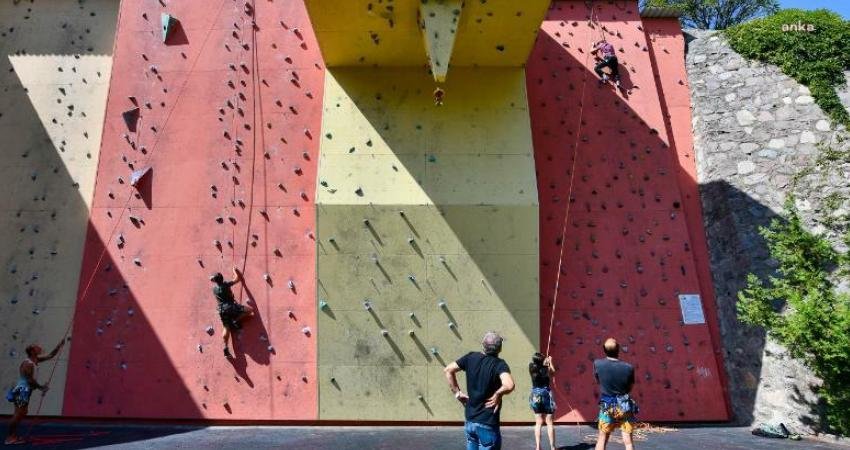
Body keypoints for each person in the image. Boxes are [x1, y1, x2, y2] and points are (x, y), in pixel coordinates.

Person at [444, 331, 515, 450]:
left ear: (483, 345)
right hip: (487, 424)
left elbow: (448, 370)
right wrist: (498, 393)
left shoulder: (470, 357)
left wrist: (457, 393)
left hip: (470, 421)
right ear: (500, 348)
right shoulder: (499, 364)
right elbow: (509, 385)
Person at [5, 339, 65, 445]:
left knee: (22, 413)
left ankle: (13, 436)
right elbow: (30, 380)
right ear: (32, 351)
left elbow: (50, 355)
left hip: (26, 391)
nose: (39, 347)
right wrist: (41, 387)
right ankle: (10, 437)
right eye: (36, 347)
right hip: (22, 391)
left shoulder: (35, 360)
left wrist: (59, 345)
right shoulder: (27, 364)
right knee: (18, 414)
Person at [593, 338, 638, 450]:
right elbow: (630, 387)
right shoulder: (628, 367)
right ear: (619, 349)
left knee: (602, 438)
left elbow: (598, 380)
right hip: (624, 406)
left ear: (604, 350)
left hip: (607, 405)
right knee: (628, 442)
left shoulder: (597, 364)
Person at [211, 267, 254, 358]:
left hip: (222, 310)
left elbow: (212, 279)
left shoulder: (214, 289)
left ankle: (226, 347)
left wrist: (213, 278)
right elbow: (237, 279)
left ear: (215, 281)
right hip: (231, 307)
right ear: (222, 279)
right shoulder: (226, 284)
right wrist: (234, 270)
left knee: (226, 327)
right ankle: (235, 320)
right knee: (249, 311)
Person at [529, 352, 557, 450]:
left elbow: (539, 366)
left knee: (538, 422)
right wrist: (550, 362)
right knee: (549, 422)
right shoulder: (546, 368)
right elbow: (553, 373)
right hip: (545, 394)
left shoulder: (531, 367)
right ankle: (552, 447)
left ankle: (538, 447)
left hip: (535, 394)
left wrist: (545, 362)